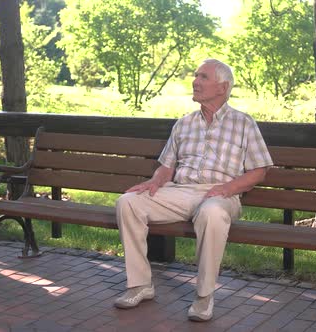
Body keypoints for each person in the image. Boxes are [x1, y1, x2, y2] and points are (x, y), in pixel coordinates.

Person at [113, 59, 273, 322]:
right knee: (128, 202)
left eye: (203, 77)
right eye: (196, 76)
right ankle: (140, 284)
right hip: (181, 191)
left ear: (222, 87)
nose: (195, 81)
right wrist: (155, 181)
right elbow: (167, 166)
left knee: (211, 213)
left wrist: (228, 187)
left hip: (222, 195)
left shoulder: (244, 123)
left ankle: (203, 296)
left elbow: (259, 171)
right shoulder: (184, 123)